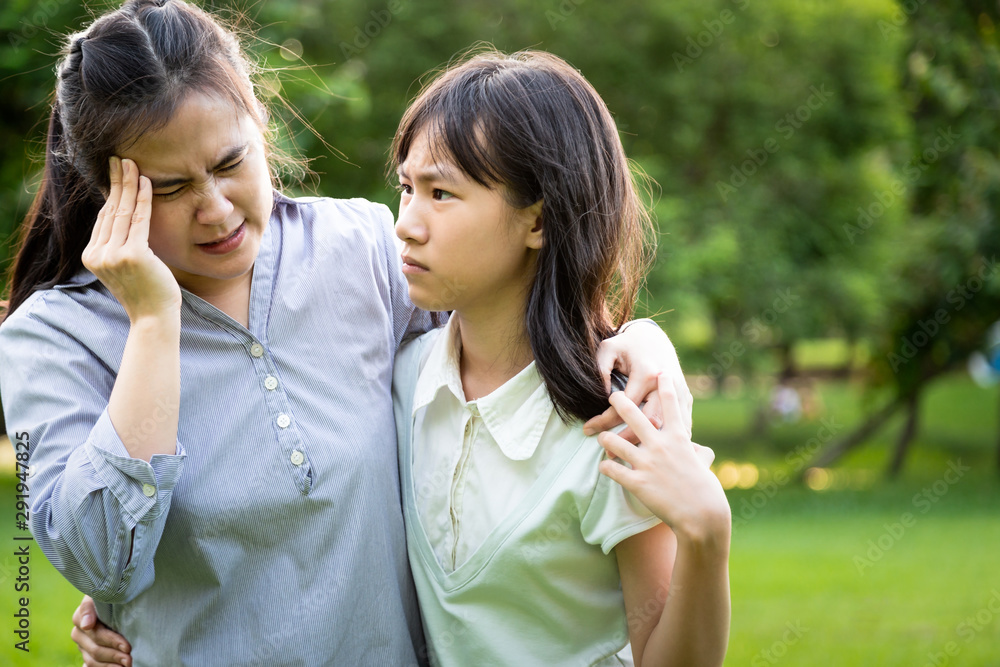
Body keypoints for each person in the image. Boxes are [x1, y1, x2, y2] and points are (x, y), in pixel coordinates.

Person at [0, 2, 689, 665]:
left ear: (260, 124)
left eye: (230, 163)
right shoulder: (50, 338)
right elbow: (96, 558)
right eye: (171, 188)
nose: (215, 209)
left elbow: (511, 328)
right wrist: (153, 323)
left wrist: (632, 342)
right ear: (109, 188)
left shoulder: (363, 249)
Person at [386, 49, 731, 666]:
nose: (407, 223)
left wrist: (707, 535)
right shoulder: (402, 379)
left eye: (441, 193)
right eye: (407, 187)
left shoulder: (613, 423)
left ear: (539, 219)